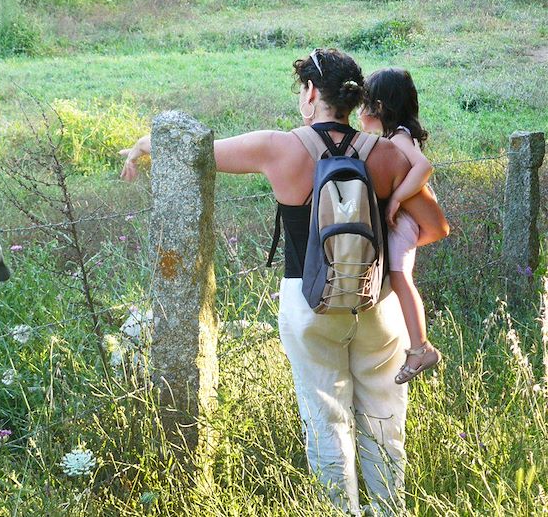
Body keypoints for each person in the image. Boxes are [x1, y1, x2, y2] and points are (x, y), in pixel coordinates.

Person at [120, 48, 449, 515]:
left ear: (312, 93)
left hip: (308, 302)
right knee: (383, 422)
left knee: (325, 420)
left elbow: (195, 149)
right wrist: (393, 201)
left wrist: (143, 144)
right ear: (354, 102)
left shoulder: (278, 146)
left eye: (302, 89)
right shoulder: (390, 154)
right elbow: (435, 225)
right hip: (378, 302)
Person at [358, 67, 442, 385]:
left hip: (403, 221)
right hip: (404, 222)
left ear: (379, 107)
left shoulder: (398, 139)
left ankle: (421, 348)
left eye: (363, 102)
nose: (359, 110)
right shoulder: (393, 138)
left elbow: (424, 167)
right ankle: (417, 345)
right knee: (398, 277)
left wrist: (396, 199)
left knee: (400, 277)